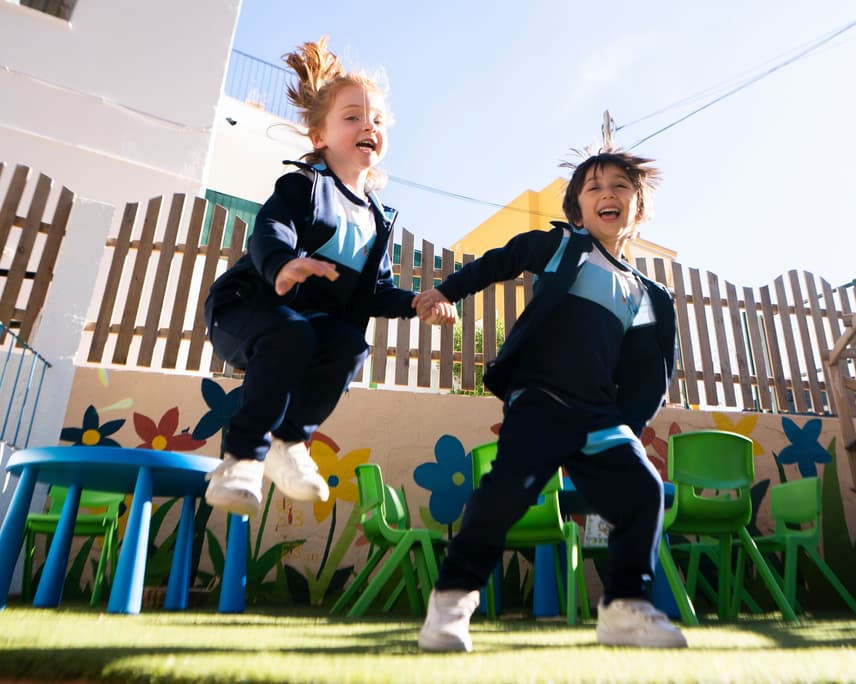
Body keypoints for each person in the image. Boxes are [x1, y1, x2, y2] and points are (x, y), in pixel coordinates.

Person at [412, 147, 687, 650]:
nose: (608, 193)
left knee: (643, 491)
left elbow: (650, 370)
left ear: (639, 210)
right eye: (594, 187)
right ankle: (451, 599)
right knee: (505, 494)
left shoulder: (647, 294)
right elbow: (500, 260)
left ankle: (625, 607)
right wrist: (446, 292)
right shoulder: (563, 247)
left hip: (599, 418)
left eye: (620, 186)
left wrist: (629, 422)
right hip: (540, 400)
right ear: (577, 210)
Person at [203, 37, 455, 517]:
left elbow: (373, 290)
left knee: (348, 345)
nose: (369, 126)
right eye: (353, 117)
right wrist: (283, 265)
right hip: (244, 307)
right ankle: (240, 460)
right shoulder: (305, 185)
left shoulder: (377, 218)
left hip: (303, 324)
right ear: (319, 136)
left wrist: (415, 302)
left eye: (377, 120)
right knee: (291, 333)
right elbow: (269, 230)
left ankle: (289, 442)